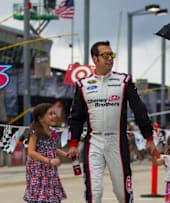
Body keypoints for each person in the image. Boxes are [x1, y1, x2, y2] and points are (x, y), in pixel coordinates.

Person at [67, 41, 156, 203]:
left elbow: (139, 110)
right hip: (94, 141)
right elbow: (76, 117)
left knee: (122, 192)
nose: (110, 58)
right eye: (105, 55)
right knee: (95, 191)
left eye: (112, 55)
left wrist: (148, 138)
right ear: (95, 59)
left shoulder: (124, 81)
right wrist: (73, 143)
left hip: (117, 141)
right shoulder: (83, 85)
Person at [23, 103, 67, 203]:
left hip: (51, 169)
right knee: (39, 194)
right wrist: (48, 160)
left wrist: (65, 154)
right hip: (38, 170)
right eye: (50, 114)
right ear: (41, 118)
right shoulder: (35, 132)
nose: (54, 116)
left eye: (54, 113)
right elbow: (31, 152)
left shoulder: (54, 133)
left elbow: (52, 149)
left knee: (51, 193)